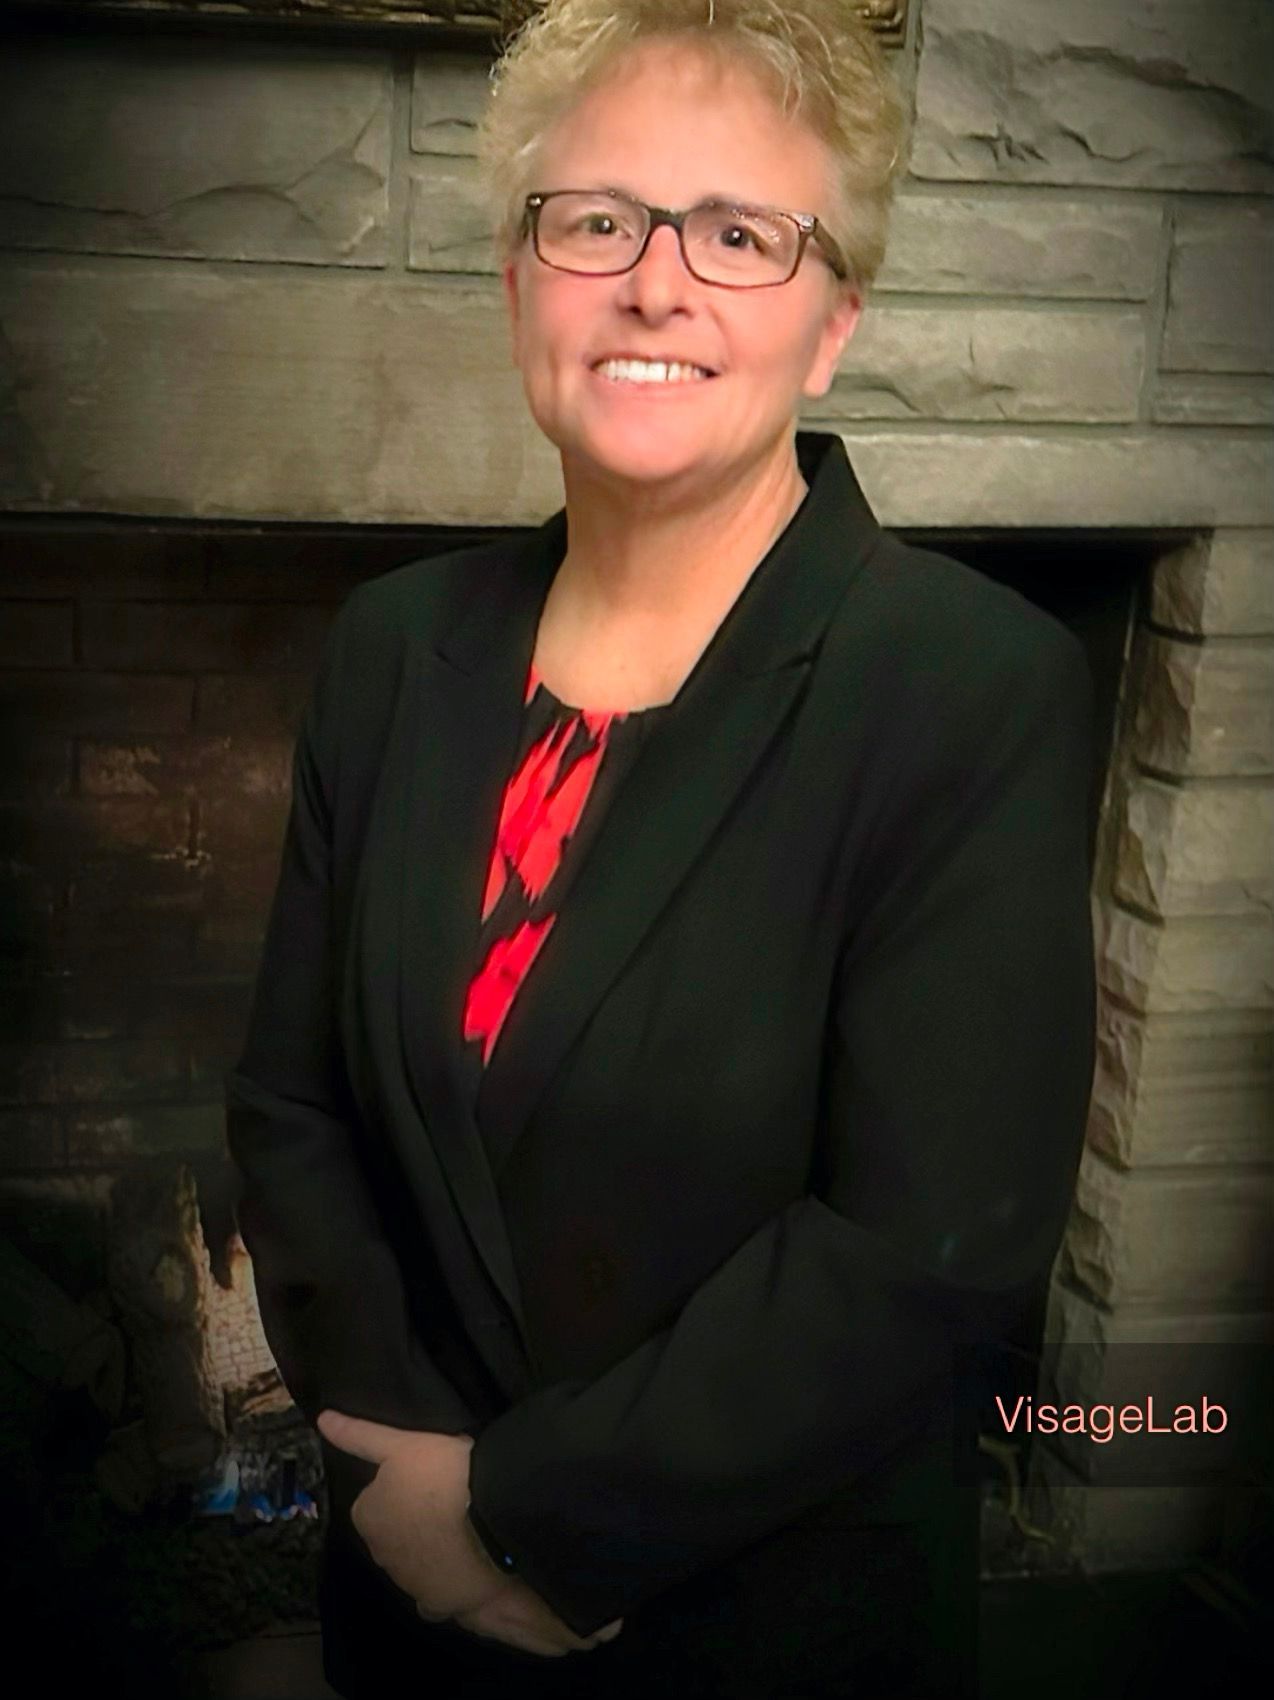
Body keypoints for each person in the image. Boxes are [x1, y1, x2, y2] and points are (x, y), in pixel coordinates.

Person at [224, 2, 1098, 1695]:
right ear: (518, 281)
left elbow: (925, 1249)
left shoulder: (973, 690)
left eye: (741, 233)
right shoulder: (390, 649)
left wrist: (528, 1518)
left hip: (753, 1630)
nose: (655, 281)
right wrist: (409, 1494)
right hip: (406, 1605)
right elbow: (291, 1104)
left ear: (833, 323)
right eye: (597, 218)